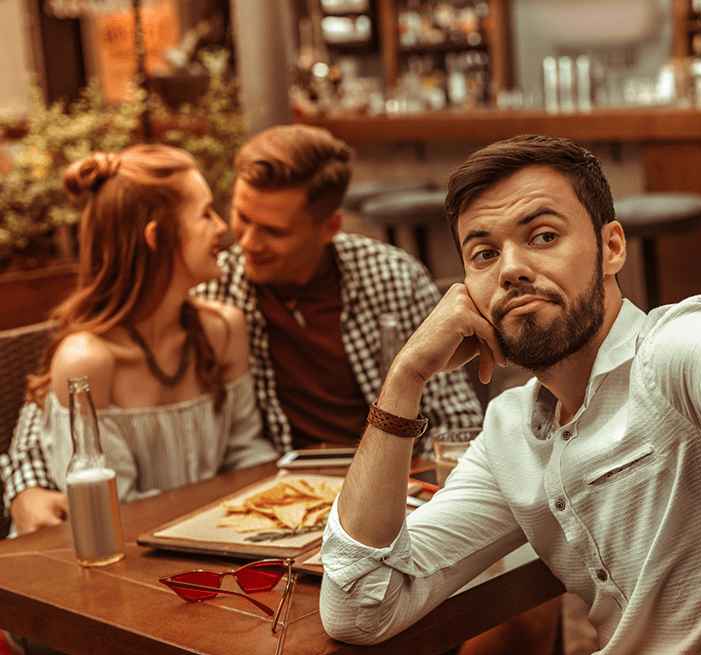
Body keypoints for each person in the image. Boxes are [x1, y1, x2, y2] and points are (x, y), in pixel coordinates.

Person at [318, 9, 701, 655]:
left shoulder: (676, 354)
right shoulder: (508, 437)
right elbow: (361, 605)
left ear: (613, 246)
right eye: (483, 253)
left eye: (544, 235)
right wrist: (405, 373)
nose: (513, 265)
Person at [1, 125, 483, 535]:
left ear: (328, 226)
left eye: (272, 231)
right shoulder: (217, 285)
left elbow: (454, 415)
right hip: (281, 505)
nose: (244, 241)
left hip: (389, 493)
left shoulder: (389, 277)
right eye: (239, 217)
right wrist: (21, 485)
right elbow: (51, 405)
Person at [10, 144, 278, 513]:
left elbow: (247, 452)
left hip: (218, 544)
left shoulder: (224, 329)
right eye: (204, 214)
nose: (221, 226)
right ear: (157, 238)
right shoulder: (86, 361)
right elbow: (110, 511)